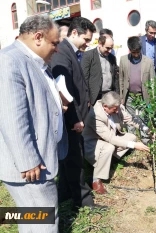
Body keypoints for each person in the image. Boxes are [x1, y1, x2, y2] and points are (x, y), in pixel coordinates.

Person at [0, 15, 67, 232]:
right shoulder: (10, 61)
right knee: (44, 221)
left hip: (38, 161)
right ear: (38, 37)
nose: (57, 49)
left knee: (31, 220)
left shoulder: (35, 61)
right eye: (54, 43)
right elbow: (11, 117)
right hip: (30, 168)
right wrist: (28, 160)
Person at [51, 17, 97, 210]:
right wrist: (75, 119)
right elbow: (63, 91)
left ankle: (64, 193)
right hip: (71, 120)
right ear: (75, 33)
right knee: (75, 160)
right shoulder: (62, 53)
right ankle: (83, 201)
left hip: (74, 117)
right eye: (86, 39)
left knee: (67, 160)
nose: (87, 44)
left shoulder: (71, 51)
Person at [83, 92, 150, 194]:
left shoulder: (117, 107)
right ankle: (96, 179)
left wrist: (147, 129)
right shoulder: (95, 115)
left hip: (110, 138)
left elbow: (130, 119)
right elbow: (110, 138)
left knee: (131, 137)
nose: (118, 111)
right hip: (94, 142)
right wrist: (135, 146)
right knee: (109, 148)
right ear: (105, 106)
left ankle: (109, 160)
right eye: (115, 109)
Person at [119, 36, 155, 132]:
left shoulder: (148, 62)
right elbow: (121, 79)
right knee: (130, 121)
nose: (136, 55)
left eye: (137, 52)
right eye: (133, 52)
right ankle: (132, 142)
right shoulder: (123, 60)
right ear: (129, 50)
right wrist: (121, 97)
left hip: (143, 96)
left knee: (144, 120)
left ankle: (145, 142)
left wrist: (152, 99)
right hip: (129, 96)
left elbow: (152, 82)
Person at [81, 35, 119, 106]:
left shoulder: (112, 58)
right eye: (107, 48)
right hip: (95, 96)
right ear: (100, 44)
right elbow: (84, 78)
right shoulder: (88, 56)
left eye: (111, 48)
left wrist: (117, 95)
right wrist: (86, 98)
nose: (109, 51)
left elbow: (115, 78)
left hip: (109, 95)